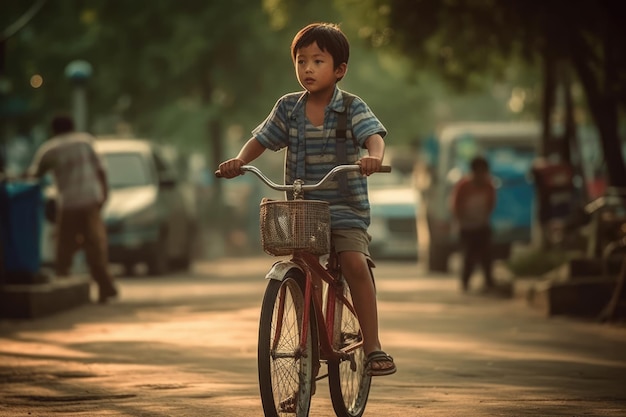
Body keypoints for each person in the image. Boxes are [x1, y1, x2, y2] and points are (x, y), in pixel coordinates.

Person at [218, 23, 396, 377]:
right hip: (302, 206)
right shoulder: (288, 108)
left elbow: (373, 136)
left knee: (354, 262)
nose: (308, 69)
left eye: (318, 61)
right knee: (302, 269)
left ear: (339, 69)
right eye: (301, 61)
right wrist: (240, 161)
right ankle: (307, 351)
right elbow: (262, 139)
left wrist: (373, 156)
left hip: (345, 206)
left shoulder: (351, 108)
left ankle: (373, 345)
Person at [27, 114, 118, 303]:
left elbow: (34, 175)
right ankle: (106, 288)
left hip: (68, 204)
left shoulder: (50, 149)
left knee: (64, 248)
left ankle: (63, 286)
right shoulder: (85, 142)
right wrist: (105, 193)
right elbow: (101, 170)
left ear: (54, 130)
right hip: (91, 201)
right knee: (95, 246)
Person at [451, 155, 496, 292]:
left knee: (486, 256)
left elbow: (491, 204)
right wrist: (461, 221)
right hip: (467, 227)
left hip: (482, 226)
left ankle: (489, 282)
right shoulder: (464, 186)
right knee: (469, 257)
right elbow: (456, 205)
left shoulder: (489, 186)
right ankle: (465, 282)